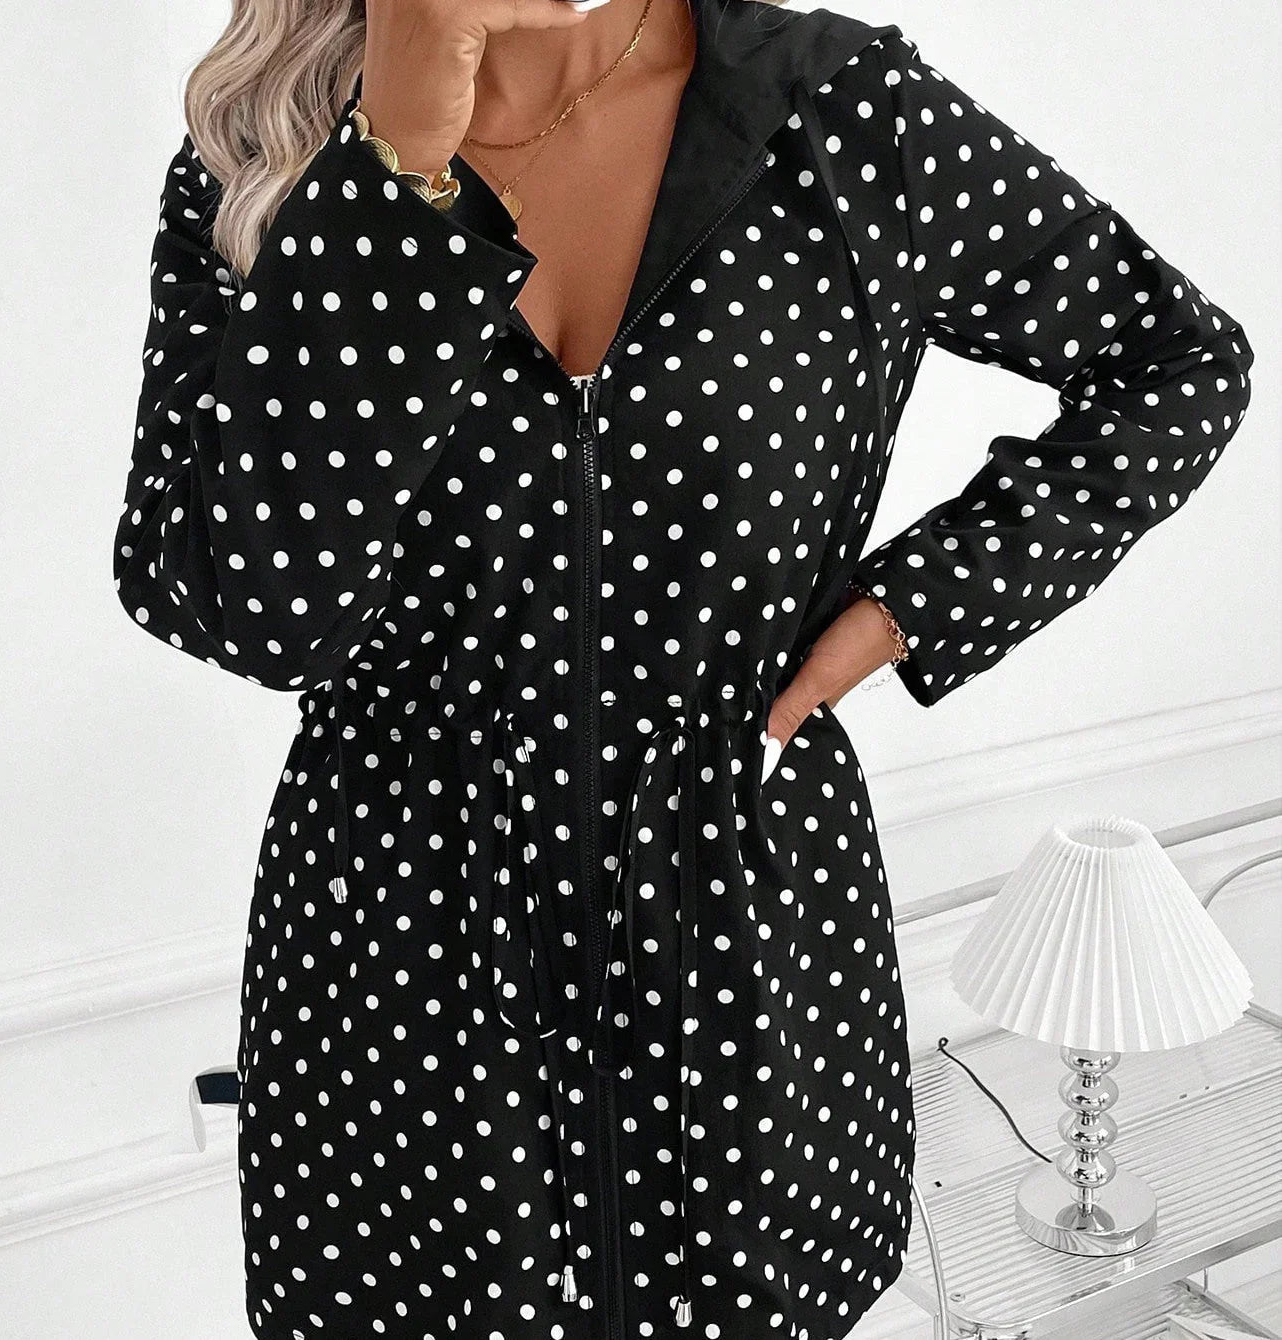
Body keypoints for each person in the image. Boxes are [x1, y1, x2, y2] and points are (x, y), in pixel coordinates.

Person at [112, 0, 1254, 1335]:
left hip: (749, 936)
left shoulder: (838, 114)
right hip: (399, 961)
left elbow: (1178, 365)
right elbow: (252, 614)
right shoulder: (267, 151)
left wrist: (904, 610)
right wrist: (396, 169)